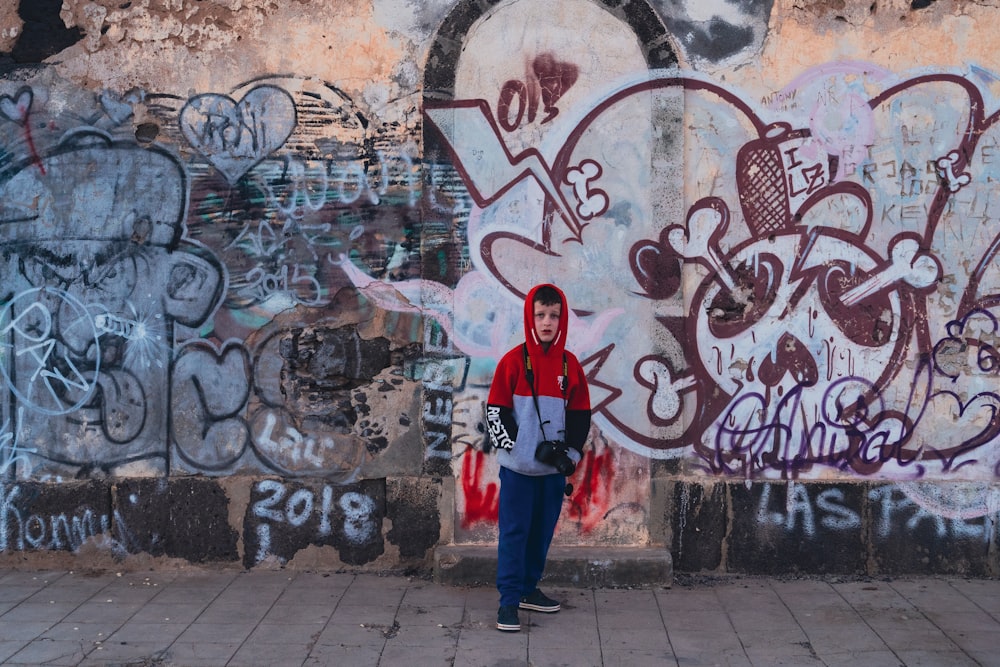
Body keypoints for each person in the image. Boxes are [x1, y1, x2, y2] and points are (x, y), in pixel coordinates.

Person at [485, 283, 591, 632]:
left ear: (562, 320)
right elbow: (496, 411)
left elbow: (580, 415)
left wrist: (571, 454)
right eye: (540, 314)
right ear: (530, 317)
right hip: (517, 471)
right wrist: (514, 448)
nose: (547, 322)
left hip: (552, 472)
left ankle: (529, 589)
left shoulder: (570, 365)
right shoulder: (513, 361)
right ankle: (508, 602)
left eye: (554, 316)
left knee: (542, 533)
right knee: (514, 534)